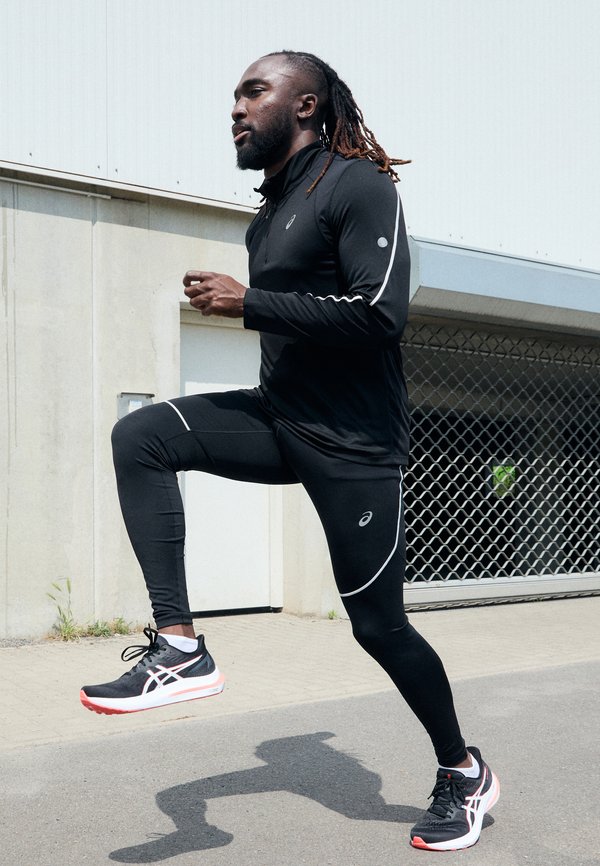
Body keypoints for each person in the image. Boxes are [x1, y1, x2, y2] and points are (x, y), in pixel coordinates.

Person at [80, 50, 499, 851]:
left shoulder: (358, 186)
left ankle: (463, 770)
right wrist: (256, 306)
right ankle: (180, 647)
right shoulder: (268, 214)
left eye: (253, 92)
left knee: (378, 627)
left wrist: (250, 303)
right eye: (235, 97)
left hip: (353, 444)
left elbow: (380, 314)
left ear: (305, 105)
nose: (236, 109)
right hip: (280, 418)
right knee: (142, 435)